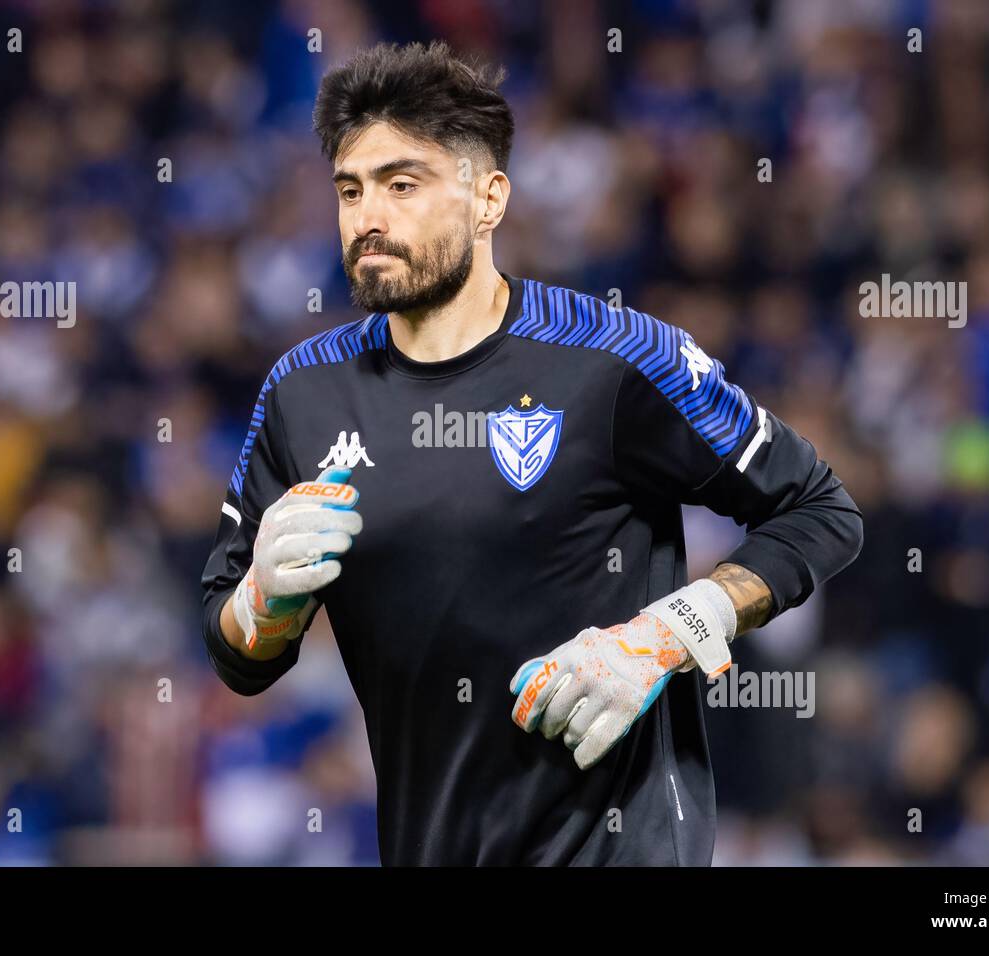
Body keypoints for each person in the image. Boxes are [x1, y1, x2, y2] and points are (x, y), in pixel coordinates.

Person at [200, 41, 863, 865]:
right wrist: (262, 600)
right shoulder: (303, 392)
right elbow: (236, 654)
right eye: (349, 189)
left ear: (489, 199)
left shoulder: (615, 359)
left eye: (402, 185)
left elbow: (820, 509)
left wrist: (669, 632)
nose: (367, 217)